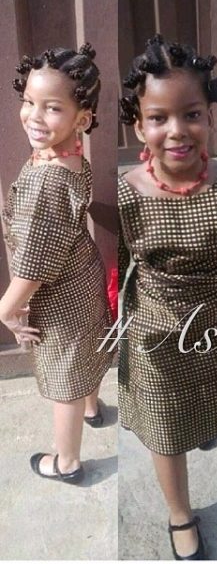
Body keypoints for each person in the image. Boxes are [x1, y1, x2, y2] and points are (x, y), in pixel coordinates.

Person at [118, 35, 217, 560]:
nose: (176, 130)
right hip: (153, 331)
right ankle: (179, 514)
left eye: (191, 114)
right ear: (139, 126)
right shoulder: (127, 193)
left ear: (210, 117)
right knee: (165, 428)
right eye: (158, 118)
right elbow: (112, 269)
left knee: (209, 410)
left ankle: (207, 426)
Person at [1, 44, 112, 484]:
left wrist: (6, 308)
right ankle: (92, 407)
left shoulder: (47, 179)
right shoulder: (69, 154)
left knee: (64, 375)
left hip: (59, 293)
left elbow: (33, 263)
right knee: (85, 350)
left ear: (81, 119)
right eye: (29, 101)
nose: (33, 116)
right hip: (82, 274)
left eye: (51, 107)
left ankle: (66, 463)